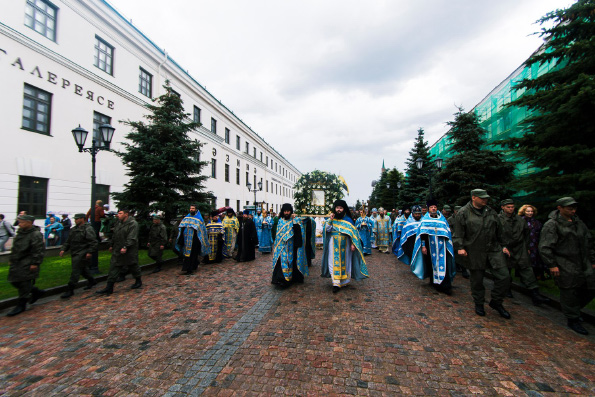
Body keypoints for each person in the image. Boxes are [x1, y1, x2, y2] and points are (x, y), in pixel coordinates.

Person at [539, 197, 595, 335]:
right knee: (568, 290)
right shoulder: (552, 224)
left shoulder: (578, 222)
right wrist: (552, 264)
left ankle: (574, 310)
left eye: (574, 208)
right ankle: (573, 318)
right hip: (564, 262)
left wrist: (592, 259)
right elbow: (545, 247)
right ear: (560, 208)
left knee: (590, 287)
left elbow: (588, 242)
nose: (573, 210)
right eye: (569, 208)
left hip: (583, 261)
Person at [454, 189, 512, 319]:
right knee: (477, 280)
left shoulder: (490, 211)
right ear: (474, 197)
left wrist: (503, 246)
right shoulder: (463, 213)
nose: (485, 200)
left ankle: (496, 302)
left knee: (504, 277)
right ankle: (479, 303)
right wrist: (460, 247)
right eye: (482, 198)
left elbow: (499, 230)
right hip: (474, 251)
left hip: (493, 249)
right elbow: (458, 233)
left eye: (486, 198)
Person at [498, 199, 550, 305]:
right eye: (508, 207)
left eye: (512, 206)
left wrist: (526, 247)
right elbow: (494, 234)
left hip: (519, 248)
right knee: (506, 271)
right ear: (502, 207)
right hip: (505, 248)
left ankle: (535, 294)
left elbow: (526, 233)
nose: (511, 209)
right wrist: (502, 246)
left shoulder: (519, 220)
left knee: (527, 269)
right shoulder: (498, 219)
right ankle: (507, 289)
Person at [321, 200, 369, 293]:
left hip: (346, 244)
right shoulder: (332, 219)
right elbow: (327, 229)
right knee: (333, 261)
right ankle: (335, 282)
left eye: (341, 208)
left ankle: (344, 280)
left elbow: (353, 233)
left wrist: (352, 244)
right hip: (333, 243)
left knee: (346, 262)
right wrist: (330, 220)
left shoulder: (348, 220)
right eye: (337, 208)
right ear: (335, 208)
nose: (339, 210)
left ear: (344, 209)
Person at [410, 201, 456, 295]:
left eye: (435, 207)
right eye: (431, 207)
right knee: (432, 264)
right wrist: (423, 246)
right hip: (430, 246)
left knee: (444, 265)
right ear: (429, 209)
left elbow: (447, 232)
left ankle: (446, 285)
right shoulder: (425, 220)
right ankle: (435, 283)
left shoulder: (442, 220)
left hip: (442, 247)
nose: (434, 209)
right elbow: (422, 235)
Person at [6, 214, 45, 316]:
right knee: (14, 280)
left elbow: (38, 250)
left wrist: (35, 263)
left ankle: (21, 305)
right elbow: (15, 247)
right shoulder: (20, 232)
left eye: (22, 222)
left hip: (28, 261)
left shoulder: (35, 234)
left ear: (29, 222)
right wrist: (12, 258)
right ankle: (35, 291)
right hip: (17, 261)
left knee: (24, 282)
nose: (20, 224)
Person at [96, 209, 142, 295]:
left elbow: (132, 237)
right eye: (118, 213)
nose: (118, 215)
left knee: (133, 265)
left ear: (126, 214)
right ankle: (109, 287)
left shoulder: (133, 224)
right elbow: (115, 235)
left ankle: (138, 280)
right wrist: (111, 245)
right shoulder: (118, 223)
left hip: (129, 249)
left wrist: (126, 247)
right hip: (118, 249)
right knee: (114, 266)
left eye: (120, 213)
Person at [59, 213, 97, 298]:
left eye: (77, 219)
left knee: (75, 271)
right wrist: (63, 249)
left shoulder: (88, 229)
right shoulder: (73, 229)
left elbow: (93, 242)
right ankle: (92, 280)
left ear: (82, 219)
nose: (75, 220)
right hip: (75, 251)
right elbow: (68, 241)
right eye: (75, 219)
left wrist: (90, 252)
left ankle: (70, 289)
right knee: (83, 270)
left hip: (82, 252)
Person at [271, 204, 307, 287]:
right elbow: (278, 235)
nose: (286, 213)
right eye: (285, 211)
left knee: (291, 261)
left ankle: (291, 278)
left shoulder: (294, 220)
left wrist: (295, 222)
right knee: (283, 261)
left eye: (288, 211)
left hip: (292, 245)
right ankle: (282, 279)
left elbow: (300, 229)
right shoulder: (280, 221)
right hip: (282, 246)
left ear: (291, 211)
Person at [175, 204, 210, 275]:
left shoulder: (199, 219)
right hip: (186, 240)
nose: (191, 209)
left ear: (196, 209)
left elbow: (202, 230)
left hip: (195, 240)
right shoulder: (186, 218)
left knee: (193, 255)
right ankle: (191, 266)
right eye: (191, 208)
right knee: (187, 255)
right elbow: (182, 227)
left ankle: (190, 269)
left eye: (193, 208)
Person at [519, 204, 548, 280]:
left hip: (536, 245)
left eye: (531, 211)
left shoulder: (536, 222)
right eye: (528, 211)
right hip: (525, 245)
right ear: (524, 211)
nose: (530, 213)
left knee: (536, 262)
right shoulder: (520, 221)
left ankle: (536, 277)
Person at [448, 206, 469, 279]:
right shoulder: (450, 219)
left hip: (463, 239)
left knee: (462, 255)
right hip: (454, 239)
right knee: (455, 254)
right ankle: (456, 266)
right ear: (454, 211)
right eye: (457, 211)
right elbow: (449, 228)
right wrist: (455, 235)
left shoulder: (464, 218)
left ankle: (464, 270)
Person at [87, 200, 106, 274]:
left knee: (93, 232)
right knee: (96, 232)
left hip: (92, 221)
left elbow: (87, 214)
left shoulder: (92, 208)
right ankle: (94, 267)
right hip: (97, 221)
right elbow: (102, 215)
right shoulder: (100, 208)